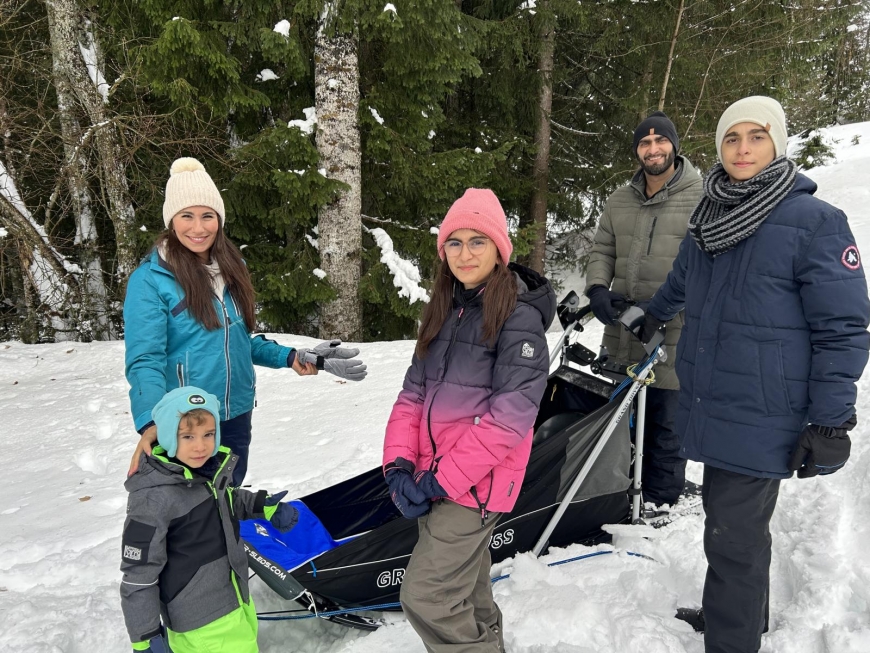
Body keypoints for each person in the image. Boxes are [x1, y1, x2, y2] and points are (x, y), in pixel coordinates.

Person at [637, 96, 870, 653]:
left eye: (756, 137)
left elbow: (843, 327)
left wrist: (832, 422)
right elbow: (682, 279)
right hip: (714, 397)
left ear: (778, 142)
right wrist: (653, 313)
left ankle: (732, 639)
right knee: (727, 522)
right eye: (731, 138)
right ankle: (741, 615)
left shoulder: (814, 221)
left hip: (766, 407)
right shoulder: (710, 215)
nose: (743, 150)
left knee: (733, 537)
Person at [382, 188, 556, 652]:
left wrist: (439, 481)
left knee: (428, 596)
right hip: (428, 473)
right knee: (466, 587)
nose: (464, 253)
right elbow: (412, 394)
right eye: (454, 242)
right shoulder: (445, 309)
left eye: (477, 241)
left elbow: (509, 421)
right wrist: (399, 465)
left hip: (474, 485)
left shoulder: (518, 319)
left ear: (499, 248)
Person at [124, 157, 367, 484]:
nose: (198, 228)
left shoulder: (230, 265)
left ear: (219, 220)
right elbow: (144, 360)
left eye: (207, 216)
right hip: (187, 422)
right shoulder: (151, 280)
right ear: (171, 220)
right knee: (189, 515)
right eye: (187, 216)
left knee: (228, 499)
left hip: (236, 413)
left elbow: (236, 341)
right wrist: (152, 422)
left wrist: (292, 357)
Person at [120, 386, 299, 653]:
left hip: (234, 600)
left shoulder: (204, 474)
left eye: (208, 434)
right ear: (168, 436)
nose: (200, 445)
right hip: (200, 624)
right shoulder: (153, 499)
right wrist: (145, 637)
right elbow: (138, 576)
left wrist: (264, 506)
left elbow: (227, 500)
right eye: (187, 436)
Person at [584, 111, 703, 507]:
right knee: (617, 416)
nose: (653, 149)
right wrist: (598, 289)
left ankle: (662, 501)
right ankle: (618, 494)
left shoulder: (701, 195)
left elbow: (707, 263)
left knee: (666, 422)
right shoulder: (620, 199)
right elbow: (602, 248)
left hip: (673, 328)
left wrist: (668, 302)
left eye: (660, 141)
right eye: (644, 143)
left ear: (674, 145)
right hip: (621, 328)